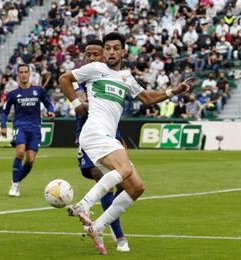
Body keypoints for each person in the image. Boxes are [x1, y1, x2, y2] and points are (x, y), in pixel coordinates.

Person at [59, 32, 191, 255]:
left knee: (136, 187)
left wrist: (172, 92)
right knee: (124, 169)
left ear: (122, 52)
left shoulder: (126, 78)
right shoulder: (94, 69)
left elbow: (147, 98)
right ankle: (84, 205)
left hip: (107, 137)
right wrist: (76, 104)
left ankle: (98, 226)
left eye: (115, 48)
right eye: (107, 48)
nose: (111, 51)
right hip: (93, 132)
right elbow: (64, 79)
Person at [73, 39, 129, 252]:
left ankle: (106, 222)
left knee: (126, 185)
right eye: (88, 55)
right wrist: (80, 103)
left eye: (96, 54)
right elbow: (80, 105)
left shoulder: (112, 77)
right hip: (89, 139)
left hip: (112, 136)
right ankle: (116, 233)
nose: (92, 58)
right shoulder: (83, 80)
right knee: (102, 175)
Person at [0, 64, 55, 197]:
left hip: (35, 128)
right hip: (20, 126)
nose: (24, 74)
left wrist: (50, 111)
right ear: (18, 75)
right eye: (21, 72)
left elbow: (48, 103)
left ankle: (16, 181)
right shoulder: (12, 94)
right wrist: (3, 125)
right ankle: (14, 186)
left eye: (26, 72)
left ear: (29, 74)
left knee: (30, 160)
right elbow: (4, 111)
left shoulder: (38, 90)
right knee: (20, 152)